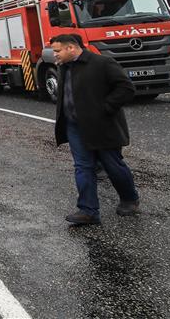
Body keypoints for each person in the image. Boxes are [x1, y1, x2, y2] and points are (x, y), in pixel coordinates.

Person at [51, 33, 138, 225]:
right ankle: (88, 210)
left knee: (112, 165)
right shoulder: (64, 67)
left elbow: (126, 88)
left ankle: (130, 199)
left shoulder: (102, 63)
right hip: (75, 126)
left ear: (71, 48)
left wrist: (105, 109)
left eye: (57, 51)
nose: (54, 55)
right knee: (83, 167)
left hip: (102, 126)